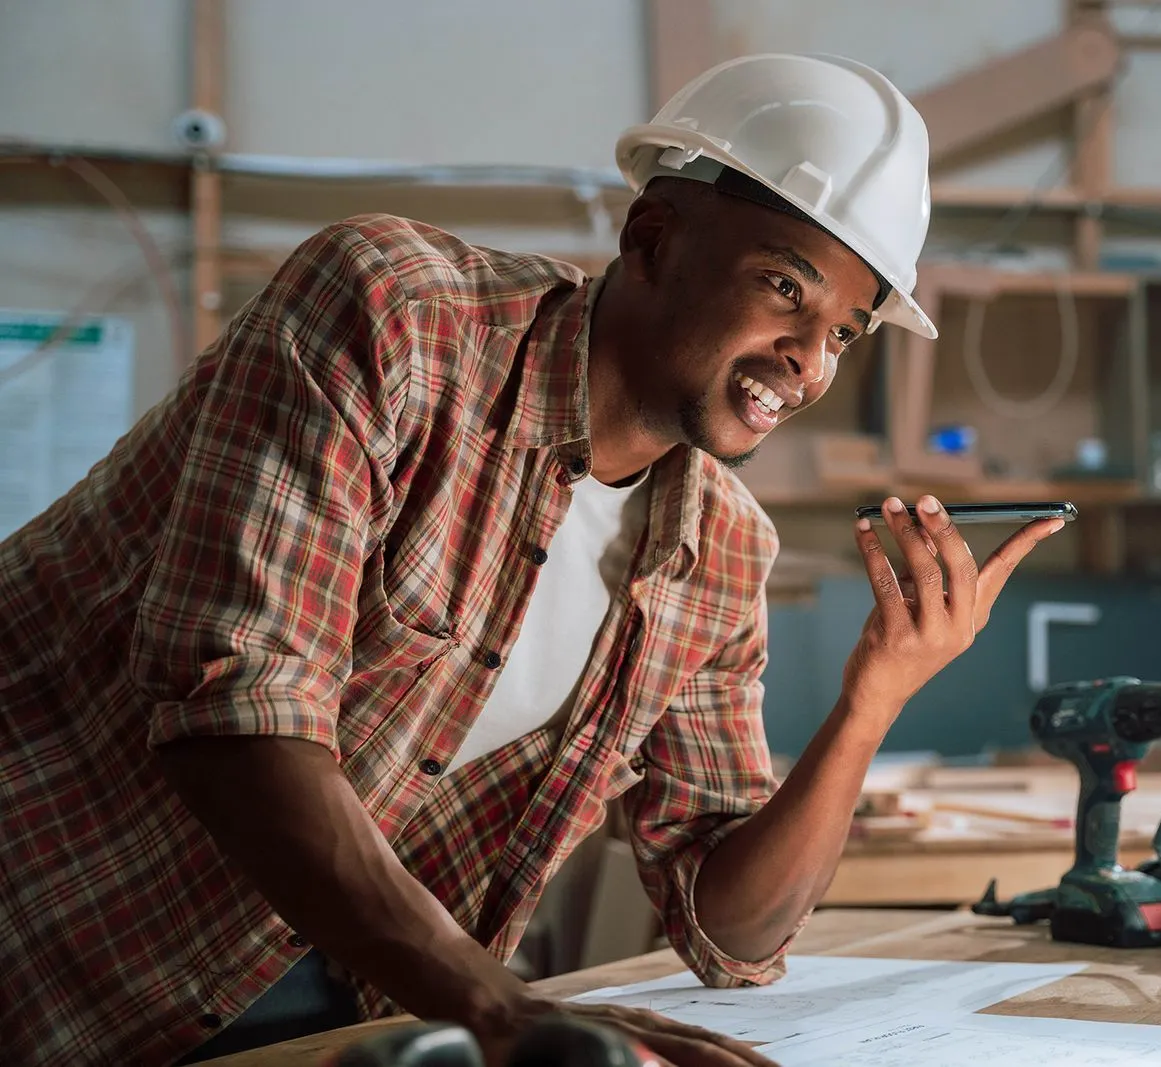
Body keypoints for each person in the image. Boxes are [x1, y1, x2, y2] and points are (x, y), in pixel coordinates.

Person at [0, 53, 1062, 1066]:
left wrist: (875, 698)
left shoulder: (723, 550)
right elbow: (235, 705)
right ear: (652, 236)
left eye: (844, 333)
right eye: (785, 287)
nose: (808, 361)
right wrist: (501, 1005)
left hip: (325, 987)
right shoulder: (397, 316)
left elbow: (728, 929)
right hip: (46, 933)